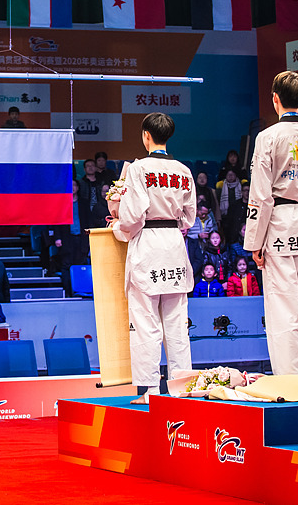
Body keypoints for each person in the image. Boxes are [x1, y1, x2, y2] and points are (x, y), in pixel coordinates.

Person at [245, 70, 298, 379]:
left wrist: (255, 242)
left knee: (283, 308)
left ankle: (290, 379)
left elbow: (260, 195)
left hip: (279, 220)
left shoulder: (267, 137)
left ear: (275, 99)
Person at [111, 112, 196, 404]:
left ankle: (150, 390)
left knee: (145, 321)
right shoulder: (183, 170)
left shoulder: (138, 168)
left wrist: (118, 227)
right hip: (174, 243)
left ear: (146, 135)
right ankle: (182, 387)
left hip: (148, 243)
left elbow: (132, 217)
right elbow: (189, 217)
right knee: (177, 323)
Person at [185, 204, 217, 281]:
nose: (204, 215)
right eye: (202, 213)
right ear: (197, 210)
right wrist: (198, 236)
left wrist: (209, 236)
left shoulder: (209, 219)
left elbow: (213, 231)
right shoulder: (191, 220)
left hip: (205, 246)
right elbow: (189, 234)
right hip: (193, 244)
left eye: (206, 213)